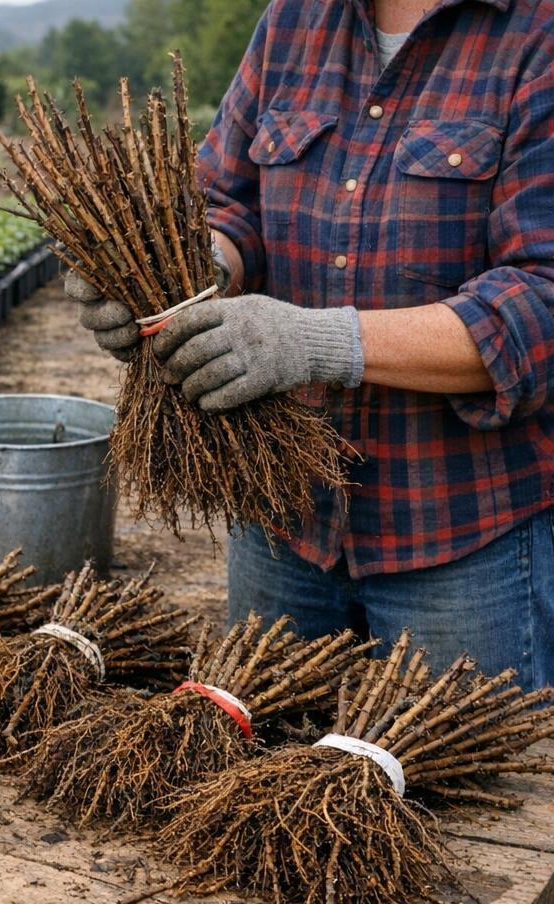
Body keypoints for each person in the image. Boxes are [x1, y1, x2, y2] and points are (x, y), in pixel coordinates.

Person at [67, 0, 554, 684]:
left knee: (450, 787)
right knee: (268, 763)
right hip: (284, 522)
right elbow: (226, 202)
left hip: (457, 537)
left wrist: (318, 343)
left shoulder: (535, 35)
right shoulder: (293, 22)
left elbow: (541, 302)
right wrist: (188, 271)